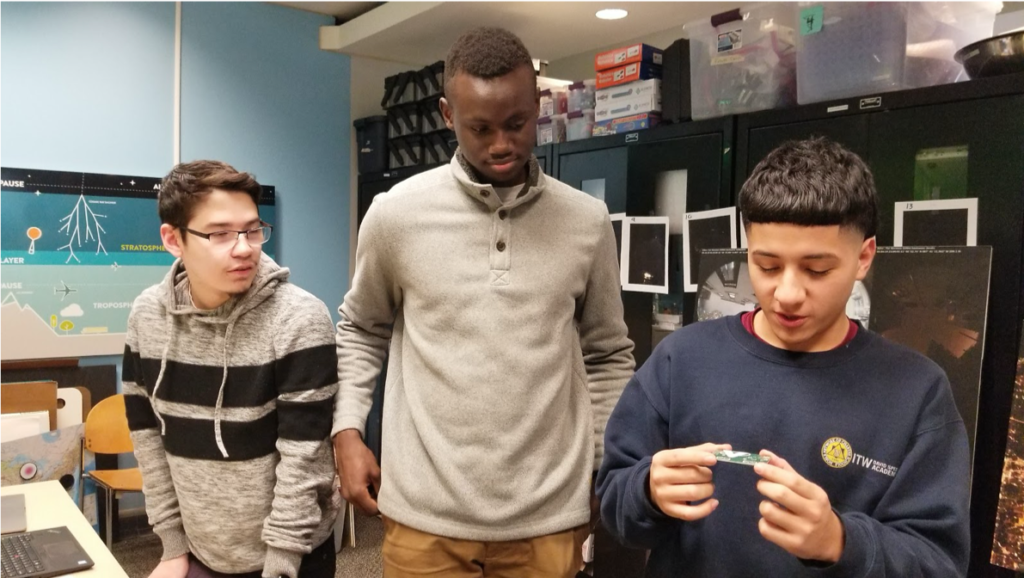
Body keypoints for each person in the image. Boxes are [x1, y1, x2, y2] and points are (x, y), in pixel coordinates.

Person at [332, 26, 634, 577]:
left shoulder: (587, 222)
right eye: (480, 127)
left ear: (538, 104)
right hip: (425, 515)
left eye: (517, 123)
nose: (501, 143)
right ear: (448, 115)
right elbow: (361, 328)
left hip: (548, 516)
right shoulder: (396, 214)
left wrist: (602, 464)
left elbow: (607, 353)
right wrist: (347, 430)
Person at [597, 137, 970, 577]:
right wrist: (647, 492)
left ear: (864, 256)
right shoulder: (682, 359)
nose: (788, 294)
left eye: (817, 270)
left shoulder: (916, 391)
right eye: (767, 266)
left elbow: (939, 562)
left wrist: (840, 543)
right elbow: (615, 500)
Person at [123, 160, 340, 578]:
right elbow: (147, 437)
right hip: (199, 551)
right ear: (174, 239)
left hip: (291, 556)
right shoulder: (147, 317)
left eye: (253, 230)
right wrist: (172, 547)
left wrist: (281, 563)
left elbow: (305, 457)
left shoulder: (299, 319)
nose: (244, 247)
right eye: (220, 234)